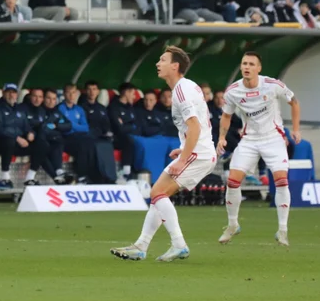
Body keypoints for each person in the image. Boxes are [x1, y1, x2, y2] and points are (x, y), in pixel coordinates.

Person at [111, 46, 214, 262]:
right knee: (158, 196)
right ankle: (141, 246)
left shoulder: (180, 91)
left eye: (162, 59)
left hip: (198, 153)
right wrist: (184, 146)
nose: (158, 63)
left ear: (175, 66)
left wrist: (184, 158)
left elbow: (194, 126)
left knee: (157, 192)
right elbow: (200, 124)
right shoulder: (189, 86)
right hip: (199, 150)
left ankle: (179, 244)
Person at [217, 53, 301, 247]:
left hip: (273, 139)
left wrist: (296, 129)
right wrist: (221, 137)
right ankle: (232, 225)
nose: (247, 67)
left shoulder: (273, 85)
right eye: (244, 63)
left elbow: (294, 102)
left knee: (281, 180)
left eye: (251, 64)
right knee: (232, 181)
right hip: (249, 140)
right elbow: (226, 116)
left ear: (258, 68)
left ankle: (282, 230)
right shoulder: (233, 91)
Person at [0, 82, 35, 189]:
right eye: (9, 92)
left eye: (14, 93)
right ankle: (5, 177)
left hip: (18, 144)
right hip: (0, 144)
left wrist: (31, 133)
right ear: (3, 93)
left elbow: (26, 125)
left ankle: (31, 177)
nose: (11, 95)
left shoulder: (19, 108)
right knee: (9, 140)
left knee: (41, 145)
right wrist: (17, 137)